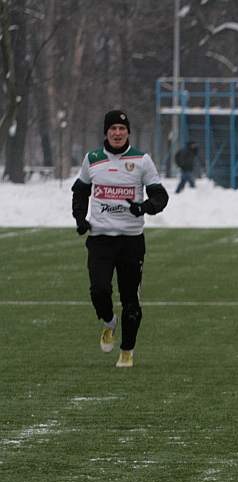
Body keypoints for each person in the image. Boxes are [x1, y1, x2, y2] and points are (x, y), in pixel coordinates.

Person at [71, 110, 168, 368]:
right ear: (106, 131)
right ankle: (108, 322)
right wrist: (80, 219)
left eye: (121, 129)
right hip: (100, 239)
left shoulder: (142, 160)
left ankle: (127, 350)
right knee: (99, 290)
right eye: (112, 128)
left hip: (131, 241)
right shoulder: (92, 160)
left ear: (128, 132)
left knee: (131, 301)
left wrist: (144, 207)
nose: (117, 133)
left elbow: (161, 196)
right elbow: (80, 193)